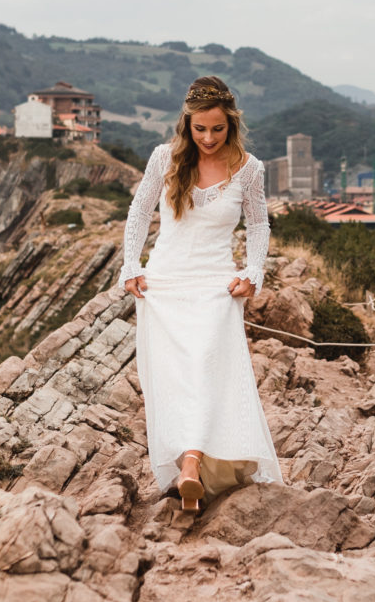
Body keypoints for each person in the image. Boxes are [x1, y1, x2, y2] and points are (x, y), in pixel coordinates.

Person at [121, 75, 284, 515]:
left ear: (230, 123)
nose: (208, 138)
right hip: (165, 286)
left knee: (207, 373)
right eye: (199, 129)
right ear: (186, 124)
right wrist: (130, 265)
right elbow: (139, 211)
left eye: (217, 128)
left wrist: (253, 271)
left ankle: (191, 466)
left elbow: (258, 224)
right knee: (173, 379)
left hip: (216, 288)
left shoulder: (250, 169)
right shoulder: (164, 159)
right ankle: (188, 467)